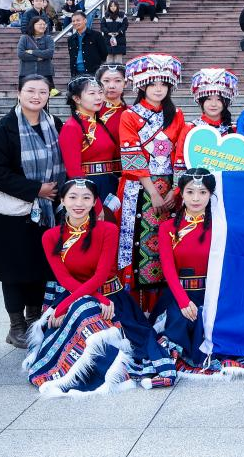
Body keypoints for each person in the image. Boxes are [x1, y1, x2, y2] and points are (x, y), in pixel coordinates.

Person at [26, 179, 177, 394]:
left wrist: (89, 301)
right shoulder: (50, 236)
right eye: (72, 197)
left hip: (112, 299)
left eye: (86, 198)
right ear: (63, 201)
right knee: (83, 312)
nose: (79, 203)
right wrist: (77, 303)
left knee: (133, 342)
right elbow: (64, 279)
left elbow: (100, 276)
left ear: (94, 202)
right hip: (77, 298)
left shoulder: (108, 230)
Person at [156, 170, 244, 377]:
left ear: (211, 194)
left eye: (202, 192)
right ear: (181, 193)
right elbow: (168, 268)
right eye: (190, 192)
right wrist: (183, 302)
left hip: (218, 295)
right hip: (183, 296)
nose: (196, 198)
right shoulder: (167, 228)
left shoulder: (222, 226)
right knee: (178, 329)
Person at [0, 74, 63, 349]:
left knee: (41, 267)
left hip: (48, 211)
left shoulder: (55, 124)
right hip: (13, 212)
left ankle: (34, 320)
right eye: (30, 91)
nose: (36, 96)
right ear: (19, 93)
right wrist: (36, 189)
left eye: (42, 92)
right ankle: (16, 326)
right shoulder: (4, 129)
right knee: (14, 271)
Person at [118, 54, 187, 312]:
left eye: (163, 84)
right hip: (139, 188)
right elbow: (133, 157)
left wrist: (176, 190)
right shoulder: (129, 115)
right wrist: (154, 193)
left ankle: (164, 308)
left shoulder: (176, 115)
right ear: (142, 85)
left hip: (170, 186)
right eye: (152, 83)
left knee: (167, 244)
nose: (158, 89)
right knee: (137, 245)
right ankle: (138, 308)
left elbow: (180, 153)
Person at [59, 75, 122, 219]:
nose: (98, 97)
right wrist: (94, 202)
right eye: (92, 93)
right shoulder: (71, 127)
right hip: (88, 188)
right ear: (77, 98)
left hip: (109, 184)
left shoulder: (99, 123)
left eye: (100, 92)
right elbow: (74, 171)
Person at [189, 68, 238, 136]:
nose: (213, 104)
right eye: (209, 99)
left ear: (226, 102)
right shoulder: (191, 129)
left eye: (219, 99)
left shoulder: (233, 130)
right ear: (201, 102)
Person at [18, 16, 56, 91]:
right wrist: (37, 58)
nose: (43, 26)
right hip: (26, 72)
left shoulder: (48, 38)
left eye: (44, 24)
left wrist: (32, 52)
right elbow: (21, 54)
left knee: (44, 94)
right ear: (33, 25)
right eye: (40, 24)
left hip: (45, 73)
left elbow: (49, 53)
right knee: (26, 94)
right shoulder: (24, 38)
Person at [67, 10, 108, 78]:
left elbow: (104, 53)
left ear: (85, 20)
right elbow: (72, 57)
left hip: (93, 73)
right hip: (76, 74)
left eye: (78, 20)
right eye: (73, 21)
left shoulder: (96, 35)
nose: (75, 23)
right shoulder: (71, 39)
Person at [96, 62, 129, 135]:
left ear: (125, 83)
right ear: (98, 83)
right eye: (106, 81)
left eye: (118, 81)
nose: (111, 86)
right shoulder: (90, 112)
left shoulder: (132, 113)